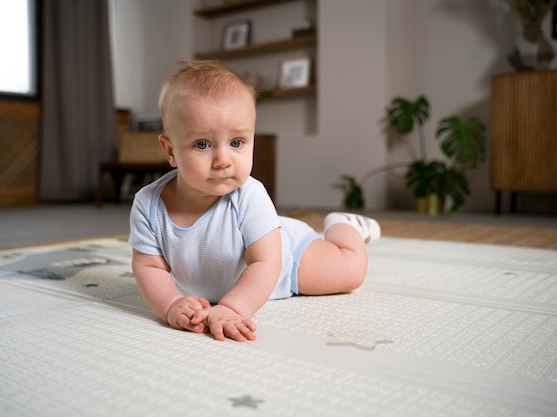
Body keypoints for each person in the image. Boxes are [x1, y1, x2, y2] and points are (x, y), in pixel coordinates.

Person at [129, 60, 380, 342]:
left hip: (287, 259)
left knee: (351, 272)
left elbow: (265, 263)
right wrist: (171, 304)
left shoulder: (249, 194)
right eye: (202, 144)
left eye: (237, 142)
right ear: (170, 151)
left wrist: (232, 308)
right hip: (245, 261)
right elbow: (149, 267)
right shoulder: (148, 204)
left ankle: (344, 226)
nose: (223, 160)